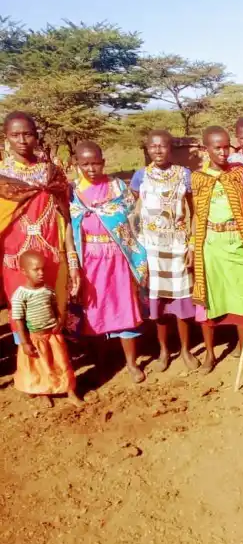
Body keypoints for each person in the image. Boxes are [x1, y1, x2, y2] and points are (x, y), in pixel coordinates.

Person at [70, 141, 148, 384]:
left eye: (96, 163)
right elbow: (69, 223)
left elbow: (130, 216)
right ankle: (102, 361)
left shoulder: (117, 187)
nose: (91, 168)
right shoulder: (73, 191)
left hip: (118, 256)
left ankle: (132, 363)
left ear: (103, 162)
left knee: (124, 306)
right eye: (85, 164)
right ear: (77, 164)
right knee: (95, 309)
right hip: (89, 259)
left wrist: (103, 213)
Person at [192, 126, 243, 374]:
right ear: (206, 149)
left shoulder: (239, 174)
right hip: (210, 245)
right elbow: (196, 215)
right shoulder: (198, 178)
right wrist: (193, 245)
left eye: (226, 147)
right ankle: (209, 355)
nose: (223, 152)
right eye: (217, 148)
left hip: (237, 241)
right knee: (209, 300)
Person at [0, 111, 80, 338]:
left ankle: (56, 359)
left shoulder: (52, 173)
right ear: (6, 137)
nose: (22, 140)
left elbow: (65, 218)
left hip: (51, 257)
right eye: (15, 135)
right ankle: (29, 359)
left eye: (27, 134)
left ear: (36, 136)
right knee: (22, 314)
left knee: (53, 313)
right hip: (16, 261)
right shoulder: (1, 176)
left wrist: (72, 259)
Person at [131, 130, 198, 371]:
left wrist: (192, 244)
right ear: (147, 149)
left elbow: (194, 211)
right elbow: (137, 210)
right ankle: (163, 350)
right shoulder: (140, 176)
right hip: (151, 248)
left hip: (178, 246)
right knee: (157, 303)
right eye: (153, 146)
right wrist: (138, 248)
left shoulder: (185, 175)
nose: (158, 150)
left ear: (171, 149)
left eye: (163, 146)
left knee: (181, 302)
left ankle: (186, 350)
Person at [12, 251, 82, 408]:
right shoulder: (20, 295)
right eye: (36, 269)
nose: (41, 273)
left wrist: (60, 321)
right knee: (41, 367)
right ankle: (44, 393)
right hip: (35, 338)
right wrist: (25, 343)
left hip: (53, 335)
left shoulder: (48, 290)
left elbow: (55, 308)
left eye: (43, 269)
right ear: (24, 271)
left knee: (62, 363)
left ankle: (71, 392)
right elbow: (19, 321)